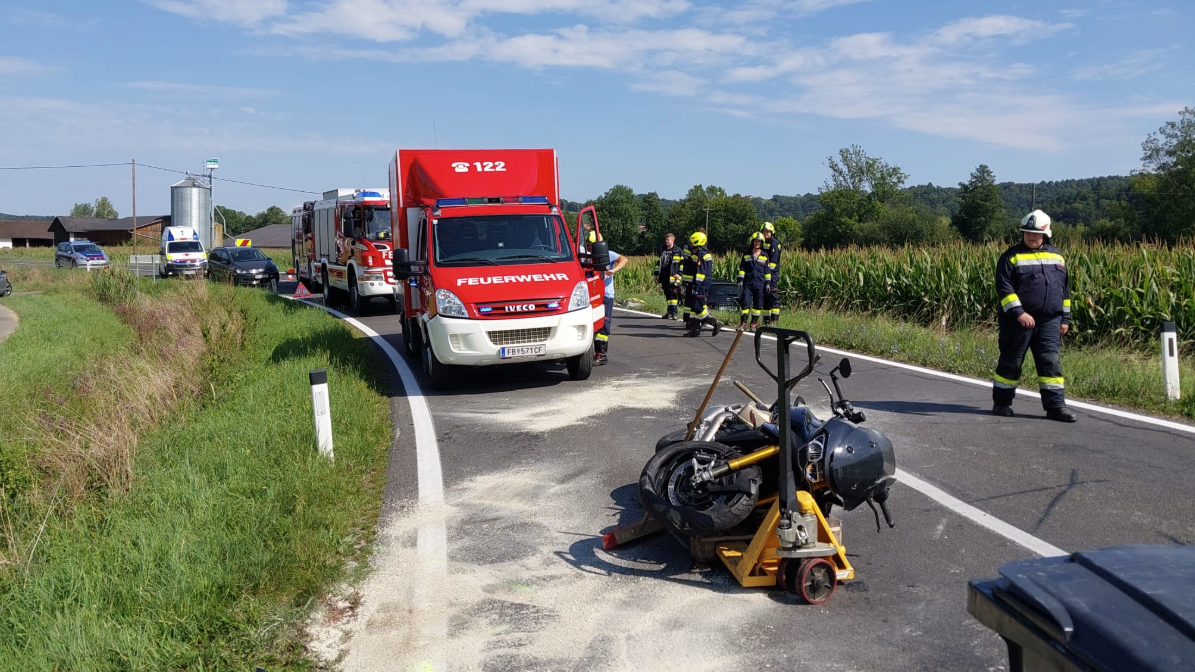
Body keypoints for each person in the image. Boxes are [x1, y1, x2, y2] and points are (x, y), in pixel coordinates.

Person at [992, 210, 1077, 422]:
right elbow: (1004, 289)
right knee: (1011, 362)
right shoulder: (1011, 257)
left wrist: (1065, 319)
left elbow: (1064, 291)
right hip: (1018, 322)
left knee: (1051, 363)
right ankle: (1002, 403)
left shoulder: (1057, 257)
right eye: (1027, 232)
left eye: (1035, 234)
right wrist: (1019, 313)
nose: (1031, 236)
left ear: (1045, 234)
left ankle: (1056, 407)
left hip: (1050, 320)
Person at [683, 231, 724, 337]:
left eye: (692, 242)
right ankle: (694, 329)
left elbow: (701, 273)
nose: (690, 244)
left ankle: (715, 322)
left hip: (701, 284)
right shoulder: (699, 253)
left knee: (697, 307)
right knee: (693, 307)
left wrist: (697, 287)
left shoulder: (702, 254)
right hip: (698, 283)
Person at [594, 247, 628, 365]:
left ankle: (601, 354)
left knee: (603, 325)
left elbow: (624, 260)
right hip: (593, 294)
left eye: (592, 246)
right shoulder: (587, 256)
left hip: (606, 295)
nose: (590, 249)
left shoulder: (608, 254)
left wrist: (614, 270)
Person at [737, 232, 768, 331]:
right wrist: (741, 280)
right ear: (752, 242)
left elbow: (767, 271)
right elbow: (742, 268)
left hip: (760, 284)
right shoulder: (746, 254)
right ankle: (743, 324)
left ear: (761, 242)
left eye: (759, 241)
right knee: (745, 303)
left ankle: (753, 324)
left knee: (757, 305)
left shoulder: (765, 255)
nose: (757, 243)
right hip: (748, 283)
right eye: (755, 241)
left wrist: (768, 283)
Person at [654, 233, 683, 320]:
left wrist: (680, 274)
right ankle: (669, 312)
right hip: (664, 275)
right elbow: (658, 263)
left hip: (673, 276)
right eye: (666, 239)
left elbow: (682, 264)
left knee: (673, 294)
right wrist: (656, 274)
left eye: (668, 240)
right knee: (667, 294)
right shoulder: (662, 249)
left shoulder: (678, 251)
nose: (666, 241)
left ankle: (674, 313)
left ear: (673, 240)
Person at [760, 221, 782, 325]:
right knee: (765, 297)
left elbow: (773, 263)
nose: (766, 233)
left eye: (768, 232)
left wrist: (766, 273)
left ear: (772, 232)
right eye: (764, 232)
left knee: (773, 295)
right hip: (764, 274)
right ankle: (766, 321)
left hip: (772, 275)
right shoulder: (762, 243)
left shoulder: (774, 243)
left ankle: (774, 321)